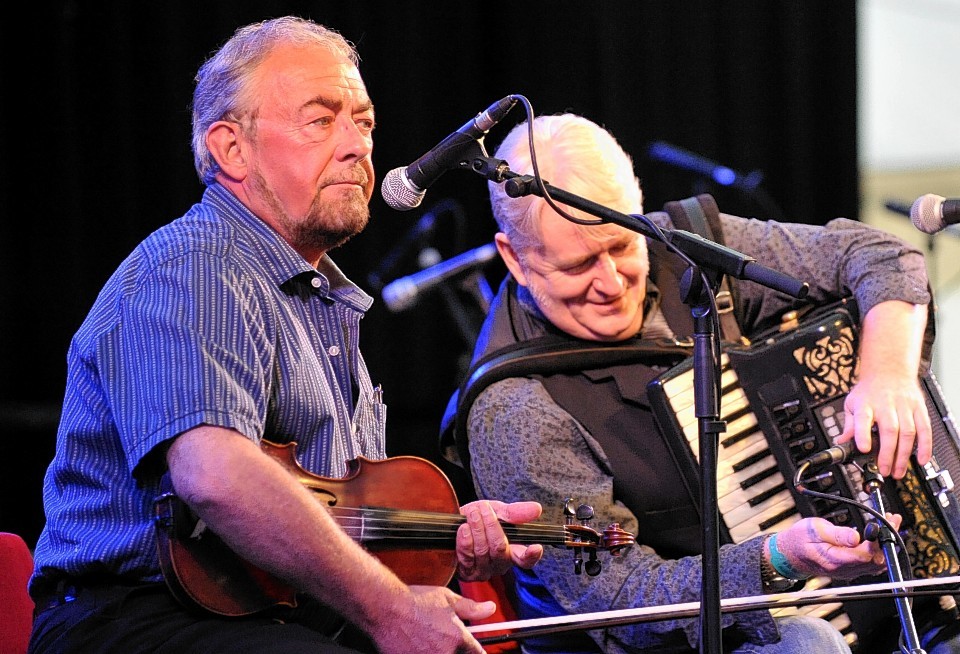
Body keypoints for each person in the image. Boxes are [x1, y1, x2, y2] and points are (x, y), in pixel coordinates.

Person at [26, 16, 544, 654]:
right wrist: (389, 611)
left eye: (364, 122)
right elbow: (215, 476)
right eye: (321, 120)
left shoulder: (319, 294)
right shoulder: (196, 265)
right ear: (231, 148)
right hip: (139, 621)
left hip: (269, 617)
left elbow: (324, 513)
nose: (358, 145)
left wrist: (434, 534)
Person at [446, 113, 955, 653]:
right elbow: (619, 601)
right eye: (579, 265)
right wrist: (773, 559)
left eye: (621, 245)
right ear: (515, 259)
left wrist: (887, 373)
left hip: (845, 599)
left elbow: (878, 256)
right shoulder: (515, 408)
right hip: (669, 647)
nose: (612, 282)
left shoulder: (689, 244)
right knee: (808, 644)